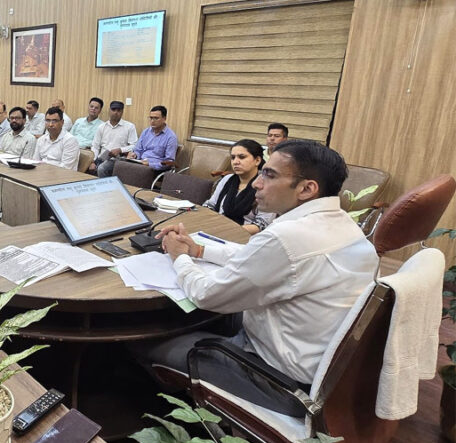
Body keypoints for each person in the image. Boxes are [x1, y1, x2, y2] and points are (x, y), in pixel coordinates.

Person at [141, 140, 378, 417]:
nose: (257, 183)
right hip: (320, 369)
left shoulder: (287, 238)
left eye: (270, 175)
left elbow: (207, 295)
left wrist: (179, 257)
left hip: (280, 382)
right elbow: (259, 258)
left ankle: (177, 417)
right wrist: (199, 250)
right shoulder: (343, 224)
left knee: (147, 340)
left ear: (306, 189)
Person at [203, 139, 275, 234]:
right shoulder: (227, 179)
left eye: (242, 157)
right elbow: (211, 205)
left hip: (246, 236)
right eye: (233, 158)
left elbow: (262, 224)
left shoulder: (266, 186)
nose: (235, 162)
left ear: (257, 160)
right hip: (216, 229)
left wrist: (228, 230)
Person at [92, 101, 138, 176]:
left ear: (122, 112)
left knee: (102, 168)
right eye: (113, 110)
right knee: (89, 165)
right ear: (109, 111)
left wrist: (120, 150)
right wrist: (93, 161)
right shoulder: (102, 127)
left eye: (119, 110)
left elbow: (134, 146)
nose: (116, 112)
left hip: (119, 158)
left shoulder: (129, 126)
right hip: (102, 157)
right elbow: (95, 146)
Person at [123, 105, 177, 171]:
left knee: (130, 171)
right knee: (120, 165)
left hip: (154, 169)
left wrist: (150, 164)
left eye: (156, 118)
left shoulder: (171, 137)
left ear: (164, 119)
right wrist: (135, 155)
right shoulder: (146, 132)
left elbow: (169, 162)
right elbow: (138, 150)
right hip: (140, 163)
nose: (152, 121)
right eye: (151, 118)